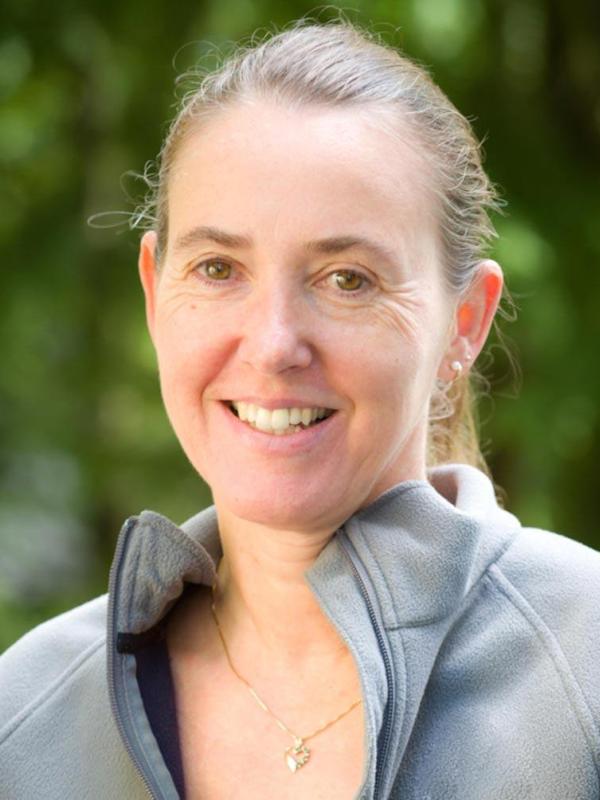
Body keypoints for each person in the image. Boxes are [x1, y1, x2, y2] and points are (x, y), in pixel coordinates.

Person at [1, 17, 599, 800]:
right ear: (154, 295)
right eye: (218, 269)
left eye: (347, 279)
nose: (275, 344)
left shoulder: (585, 665)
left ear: (465, 323)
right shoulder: (25, 716)